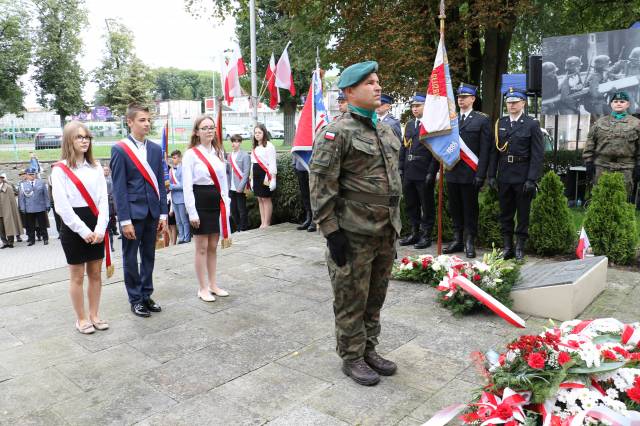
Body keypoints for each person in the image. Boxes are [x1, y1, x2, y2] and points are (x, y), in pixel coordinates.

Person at [310, 60, 402, 386]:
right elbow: (321, 186)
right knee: (351, 299)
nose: (378, 87)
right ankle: (351, 357)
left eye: (378, 81)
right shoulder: (335, 133)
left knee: (375, 298)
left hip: (385, 231)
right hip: (353, 233)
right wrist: (332, 233)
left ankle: (369, 349)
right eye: (369, 83)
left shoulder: (386, 130)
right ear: (349, 92)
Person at [51, 121, 110, 334]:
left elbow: (104, 199)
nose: (84, 140)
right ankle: (81, 318)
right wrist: (83, 231)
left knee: (95, 273)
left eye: (87, 137)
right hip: (74, 226)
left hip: (96, 222)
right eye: (79, 137)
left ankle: (94, 315)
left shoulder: (95, 167)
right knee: (77, 276)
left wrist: (101, 228)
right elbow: (62, 207)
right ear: (69, 140)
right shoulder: (60, 170)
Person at [110, 104, 167, 318]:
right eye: (142, 120)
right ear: (130, 122)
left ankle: (146, 294)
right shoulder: (120, 149)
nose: (147, 124)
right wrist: (124, 220)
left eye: (148, 120)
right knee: (131, 258)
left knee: (149, 256)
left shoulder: (154, 149)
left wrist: (162, 213)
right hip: (132, 215)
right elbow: (119, 187)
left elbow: (160, 183)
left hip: (152, 212)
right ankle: (135, 299)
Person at [487, 87, 543, 261]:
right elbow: (494, 152)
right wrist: (491, 175)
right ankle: (507, 246)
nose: (511, 105)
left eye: (515, 102)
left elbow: (537, 154)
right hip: (504, 174)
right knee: (505, 213)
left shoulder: (531, 124)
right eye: (509, 102)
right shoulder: (500, 123)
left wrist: (532, 179)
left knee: (523, 213)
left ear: (523, 103)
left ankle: (520, 247)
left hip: (522, 174)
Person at [182, 115, 231, 302]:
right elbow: (187, 186)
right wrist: (192, 211)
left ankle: (213, 284)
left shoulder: (218, 152)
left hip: (216, 203)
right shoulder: (191, 154)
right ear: (196, 132)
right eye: (204, 128)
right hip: (199, 202)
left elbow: (224, 180)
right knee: (201, 247)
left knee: (212, 246)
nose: (209, 130)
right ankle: (202, 288)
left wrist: (227, 204)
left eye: (211, 127)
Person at [443, 83, 491, 258]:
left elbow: (486, 150)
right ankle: (457, 239)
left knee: (470, 208)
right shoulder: (452, 119)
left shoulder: (482, 119)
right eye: (459, 97)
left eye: (464, 97)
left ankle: (470, 240)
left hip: (471, 172)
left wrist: (481, 174)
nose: (461, 100)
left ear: (473, 99)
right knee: (454, 207)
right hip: (453, 170)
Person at [398, 92, 438, 249]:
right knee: (411, 204)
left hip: (423, 171)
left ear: (425, 107)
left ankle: (426, 235)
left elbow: (435, 151)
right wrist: (401, 167)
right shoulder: (409, 125)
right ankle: (414, 233)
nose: (414, 109)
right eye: (413, 106)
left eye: (418, 106)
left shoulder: (431, 125)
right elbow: (404, 147)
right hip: (409, 170)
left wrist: (431, 172)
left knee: (426, 205)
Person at [583, 91, 640, 199]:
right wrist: (589, 162)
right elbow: (590, 143)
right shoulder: (600, 122)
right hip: (602, 167)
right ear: (611, 104)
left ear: (628, 104)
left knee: (622, 200)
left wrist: (639, 165)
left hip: (626, 168)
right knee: (600, 198)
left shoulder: (636, 123)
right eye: (616, 101)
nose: (618, 103)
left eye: (622, 101)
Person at [251, 123, 277, 228]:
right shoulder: (255, 146)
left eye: (259, 132)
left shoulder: (269, 146)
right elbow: (253, 162)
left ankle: (267, 223)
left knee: (266, 198)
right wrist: (251, 179)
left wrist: (273, 179)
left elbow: (272, 163)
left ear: (264, 133)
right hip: (256, 174)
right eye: (255, 133)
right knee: (259, 199)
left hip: (265, 175)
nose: (257, 135)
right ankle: (262, 222)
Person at [18, 168, 50, 246]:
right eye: (30, 174)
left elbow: (46, 195)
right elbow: (21, 198)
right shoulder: (23, 185)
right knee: (30, 226)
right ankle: (32, 240)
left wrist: (47, 205)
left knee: (42, 224)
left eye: (33, 174)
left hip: (40, 207)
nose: (32, 176)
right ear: (27, 175)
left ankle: (45, 239)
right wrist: (22, 207)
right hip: (29, 208)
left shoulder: (41, 182)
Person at [226, 135, 250, 232]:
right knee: (233, 210)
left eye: (236, 142)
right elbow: (228, 171)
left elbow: (246, 172)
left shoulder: (245, 155)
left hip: (240, 187)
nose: (234, 144)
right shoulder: (229, 156)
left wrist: (241, 186)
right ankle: (238, 226)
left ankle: (243, 228)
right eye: (232, 142)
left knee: (241, 209)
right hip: (231, 187)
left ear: (240, 143)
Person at [169, 150, 190, 243]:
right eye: (172, 158)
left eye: (175, 157)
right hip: (174, 198)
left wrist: (170, 186)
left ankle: (187, 237)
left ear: (180, 158)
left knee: (184, 220)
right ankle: (181, 237)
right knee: (178, 221)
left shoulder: (183, 169)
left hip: (181, 198)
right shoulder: (170, 170)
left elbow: (183, 185)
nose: (173, 160)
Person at [292, 153, 316, 232]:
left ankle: (314, 219)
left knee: (314, 195)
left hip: (313, 167)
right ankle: (308, 217)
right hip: (300, 167)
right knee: (305, 195)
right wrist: (294, 163)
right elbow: (296, 147)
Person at [0, 173, 22, 249]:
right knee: (1, 229)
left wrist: (11, 211)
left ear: (2, 179)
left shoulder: (8, 187)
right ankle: (4, 242)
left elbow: (12, 201)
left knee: (9, 226)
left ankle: (10, 242)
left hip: (7, 211)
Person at [103, 166, 117, 252]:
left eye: (107, 170)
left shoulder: (112, 179)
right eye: (104, 170)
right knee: (105, 229)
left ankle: (111, 246)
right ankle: (105, 247)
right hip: (103, 207)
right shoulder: (100, 179)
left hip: (111, 206)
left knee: (110, 229)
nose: (106, 171)